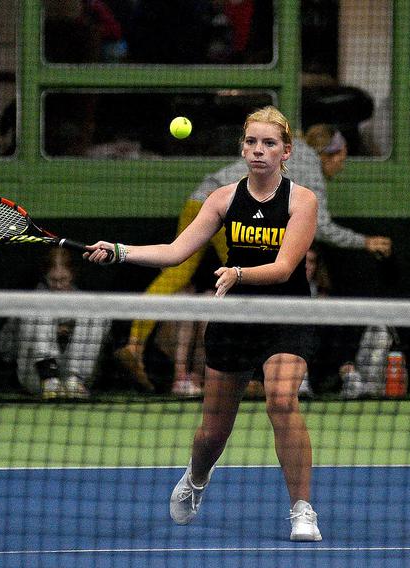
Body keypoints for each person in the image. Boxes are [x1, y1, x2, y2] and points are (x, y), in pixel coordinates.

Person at [85, 106, 323, 541]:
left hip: (286, 317)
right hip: (233, 320)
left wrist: (239, 273)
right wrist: (120, 250)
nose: (259, 151)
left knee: (282, 400)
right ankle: (196, 478)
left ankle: (302, 509)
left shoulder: (302, 200)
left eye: (269, 143)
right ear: (242, 148)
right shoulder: (223, 198)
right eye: (251, 142)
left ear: (286, 152)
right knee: (214, 431)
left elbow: (287, 266)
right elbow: (176, 252)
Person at [115, 121, 393, 389]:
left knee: (179, 273)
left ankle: (135, 343)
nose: (342, 165)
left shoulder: (294, 157)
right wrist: (365, 242)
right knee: (249, 278)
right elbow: (320, 226)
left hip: (199, 198)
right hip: (228, 207)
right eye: (343, 157)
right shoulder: (309, 163)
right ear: (333, 153)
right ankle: (243, 372)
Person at [0, 248, 110, 399]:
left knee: (96, 314)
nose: (58, 285)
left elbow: (105, 342)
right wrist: (49, 331)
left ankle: (75, 381)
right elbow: (6, 349)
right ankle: (49, 377)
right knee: (36, 307)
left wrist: (70, 330)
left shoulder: (88, 303)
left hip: (79, 381)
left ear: (73, 275)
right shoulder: (27, 302)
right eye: (53, 280)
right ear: (45, 275)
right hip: (35, 377)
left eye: (63, 279)